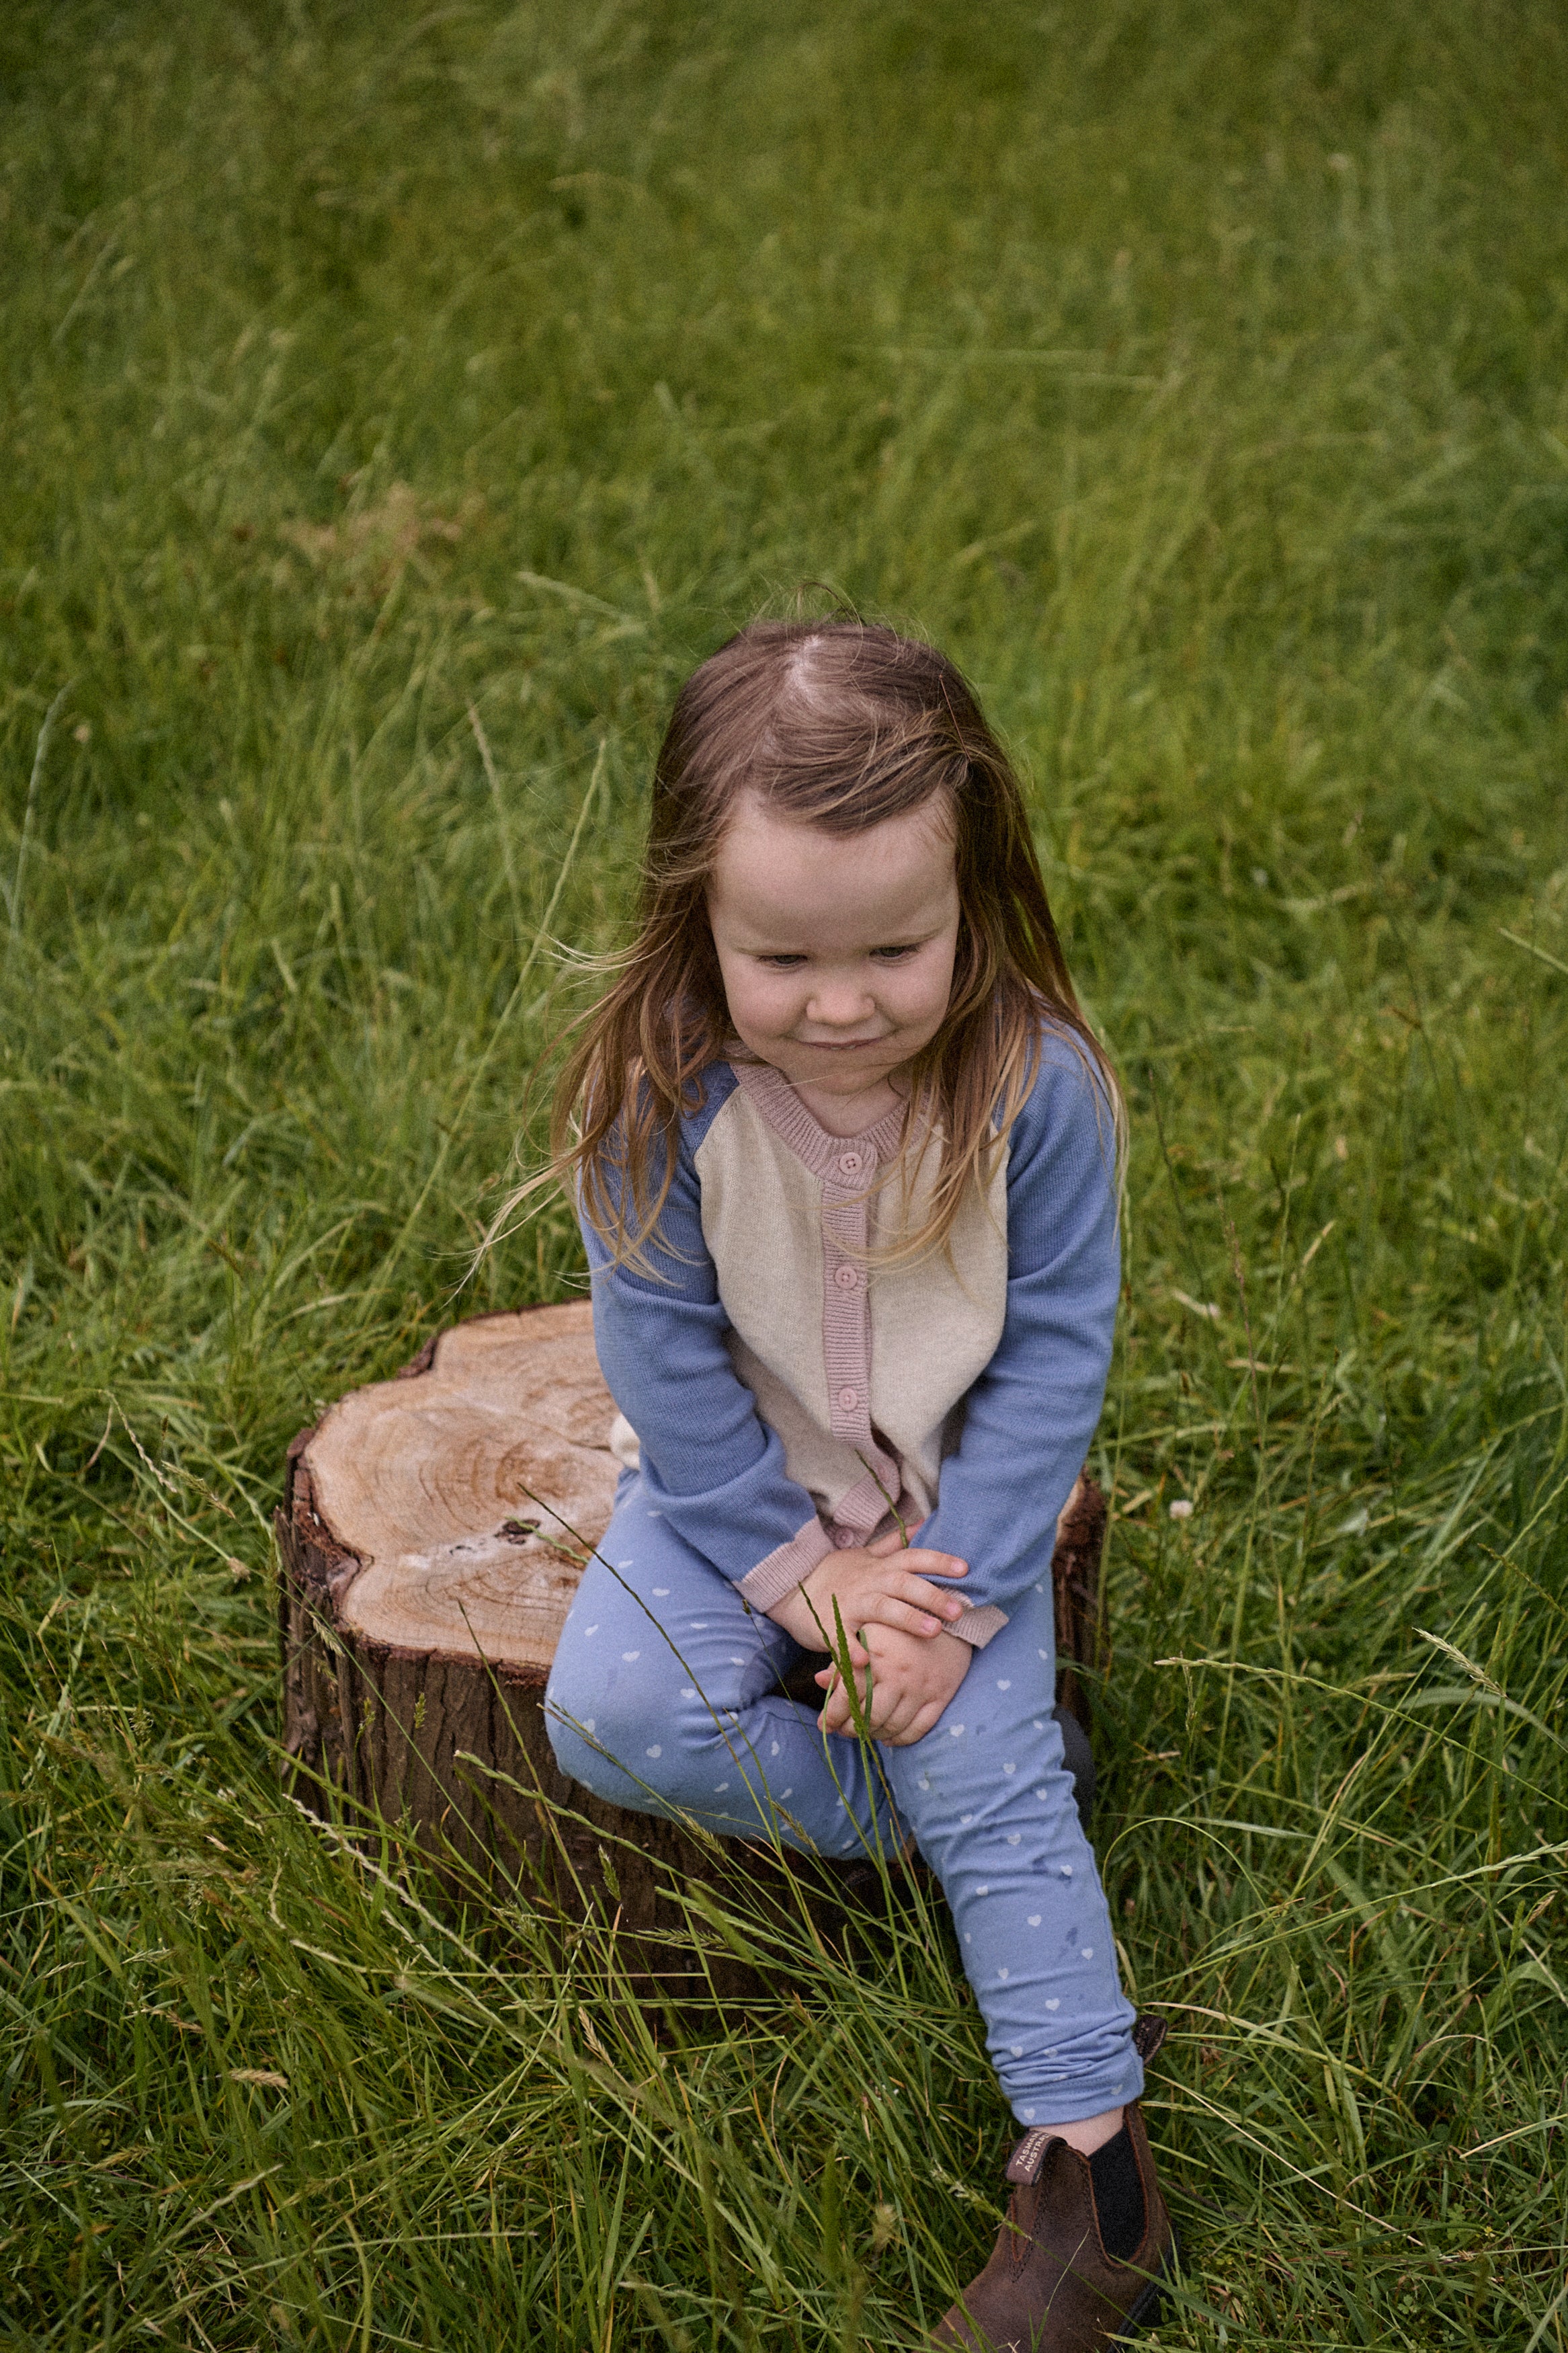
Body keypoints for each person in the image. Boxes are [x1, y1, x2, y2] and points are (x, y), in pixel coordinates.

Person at [539, 619, 1177, 2348]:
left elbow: (1055, 1349)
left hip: (948, 1495)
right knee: (605, 1715)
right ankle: (957, 1840)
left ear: (976, 894)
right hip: (729, 1489)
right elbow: (663, 1350)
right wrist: (789, 1572)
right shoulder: (662, 1092)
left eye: (897, 944)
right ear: (700, 918)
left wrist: (947, 1593)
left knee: (966, 1735)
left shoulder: (1032, 1089)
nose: (843, 1001)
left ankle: (1093, 2163)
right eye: (785, 956)